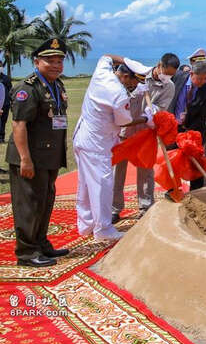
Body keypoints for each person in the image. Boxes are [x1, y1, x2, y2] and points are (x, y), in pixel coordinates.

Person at [74, 54, 153, 241]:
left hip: (83, 135)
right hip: (97, 143)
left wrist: (126, 60)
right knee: (102, 185)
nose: (133, 86)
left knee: (85, 183)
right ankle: (103, 229)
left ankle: (85, 224)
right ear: (125, 77)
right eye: (133, 82)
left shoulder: (102, 72)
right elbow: (124, 121)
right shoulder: (117, 93)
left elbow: (106, 56)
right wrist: (146, 118)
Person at [7, 38, 71, 267]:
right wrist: (25, 159)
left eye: (59, 61)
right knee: (30, 204)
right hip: (30, 158)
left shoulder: (57, 85)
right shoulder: (28, 88)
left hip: (49, 157)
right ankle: (26, 253)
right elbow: (19, 125)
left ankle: (41, 244)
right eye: (50, 61)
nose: (55, 65)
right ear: (36, 61)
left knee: (45, 202)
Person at [111, 53, 178, 223]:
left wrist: (152, 112)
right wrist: (133, 93)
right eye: (165, 72)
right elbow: (119, 92)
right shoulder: (140, 75)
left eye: (171, 74)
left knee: (145, 170)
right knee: (117, 171)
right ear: (159, 65)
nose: (167, 76)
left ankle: (145, 206)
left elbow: (161, 108)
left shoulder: (169, 86)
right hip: (124, 131)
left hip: (145, 132)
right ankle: (114, 208)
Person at [168, 61, 206, 189]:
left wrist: (187, 133)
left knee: (195, 162)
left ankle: (196, 191)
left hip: (193, 130)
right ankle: (173, 190)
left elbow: (202, 117)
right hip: (172, 128)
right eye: (200, 78)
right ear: (191, 73)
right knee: (172, 160)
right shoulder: (178, 77)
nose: (202, 81)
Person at [0, 68, 11, 143]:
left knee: (3, 121)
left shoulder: (6, 78)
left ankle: (2, 137)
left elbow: (10, 90)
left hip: (5, 104)